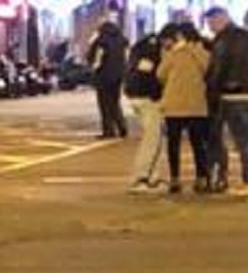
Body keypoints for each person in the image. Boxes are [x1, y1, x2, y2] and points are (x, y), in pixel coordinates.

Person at [204, 6, 248, 190]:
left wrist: (211, 91)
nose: (210, 27)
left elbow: (218, 69)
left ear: (220, 19)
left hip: (234, 94)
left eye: (211, 23)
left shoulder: (223, 40)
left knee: (240, 138)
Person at [155, 20, 215, 195]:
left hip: (174, 106)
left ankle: (175, 178)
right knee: (198, 144)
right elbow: (208, 69)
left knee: (173, 145)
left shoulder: (173, 54)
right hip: (197, 106)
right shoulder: (202, 53)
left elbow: (160, 74)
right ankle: (202, 178)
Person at [124, 21, 168, 191]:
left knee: (154, 137)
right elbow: (150, 76)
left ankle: (152, 177)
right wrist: (158, 95)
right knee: (153, 139)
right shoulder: (154, 51)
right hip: (148, 98)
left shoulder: (142, 46)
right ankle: (142, 178)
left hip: (136, 95)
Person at [87, 12, 129, 139]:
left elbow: (96, 61)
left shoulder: (101, 41)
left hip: (104, 76)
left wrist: (93, 67)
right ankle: (122, 126)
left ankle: (108, 130)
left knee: (104, 104)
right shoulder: (122, 40)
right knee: (115, 102)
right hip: (118, 76)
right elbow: (126, 57)